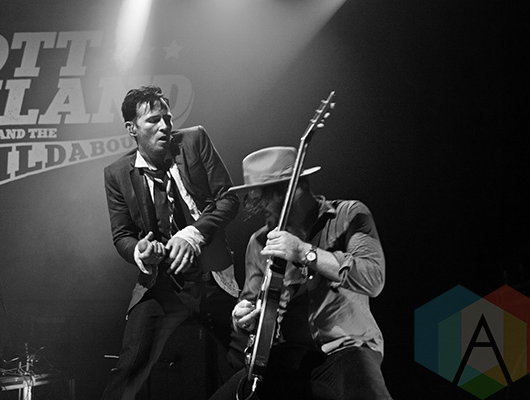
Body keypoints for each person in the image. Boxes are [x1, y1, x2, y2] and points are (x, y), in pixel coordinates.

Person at [210, 146, 393, 400]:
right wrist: (243, 317)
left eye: (264, 201)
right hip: (287, 358)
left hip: (347, 348)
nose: (260, 211)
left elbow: (373, 279)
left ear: (292, 190)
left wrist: (304, 252)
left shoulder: (349, 215)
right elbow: (251, 304)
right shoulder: (259, 242)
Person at [102, 85, 244, 400]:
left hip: (211, 276)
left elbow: (229, 199)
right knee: (128, 369)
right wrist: (140, 252)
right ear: (132, 129)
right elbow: (122, 236)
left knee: (250, 359)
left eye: (167, 118)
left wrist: (194, 233)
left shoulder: (194, 140)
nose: (165, 126)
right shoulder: (116, 174)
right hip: (162, 285)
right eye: (153, 120)